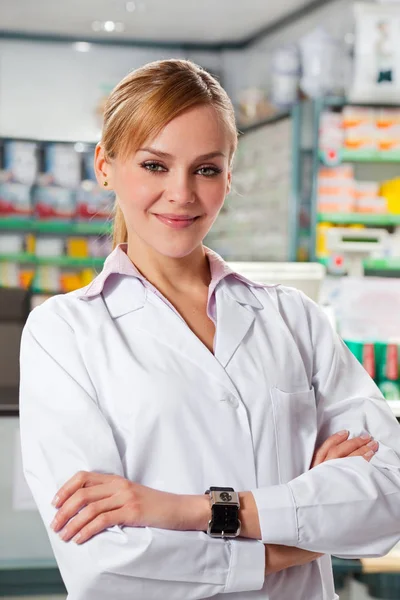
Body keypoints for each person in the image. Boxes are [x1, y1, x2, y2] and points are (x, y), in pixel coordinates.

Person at [19, 59, 400, 600]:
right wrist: (309, 532)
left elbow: (391, 493)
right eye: (155, 166)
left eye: (206, 169)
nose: (182, 194)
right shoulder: (63, 333)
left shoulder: (293, 318)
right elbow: (105, 561)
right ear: (105, 165)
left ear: (228, 173)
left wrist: (192, 511)